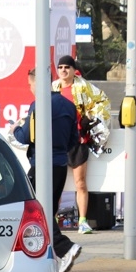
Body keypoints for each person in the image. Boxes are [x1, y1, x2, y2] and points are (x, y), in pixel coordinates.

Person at [11, 69, 81, 272]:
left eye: (30, 84)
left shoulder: (38, 105)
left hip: (42, 164)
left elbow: (25, 137)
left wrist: (15, 128)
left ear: (36, 84)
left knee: (34, 208)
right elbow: (73, 140)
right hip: (60, 164)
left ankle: (65, 247)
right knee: (46, 210)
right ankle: (52, 254)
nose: (30, 88)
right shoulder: (68, 105)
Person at [56, 55, 111, 234]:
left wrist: (89, 118)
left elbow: (103, 101)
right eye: (61, 67)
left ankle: (83, 221)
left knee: (80, 183)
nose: (64, 70)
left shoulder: (83, 86)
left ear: (73, 70)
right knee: (55, 184)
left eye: (67, 67)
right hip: (58, 142)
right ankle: (52, 220)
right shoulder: (52, 87)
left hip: (78, 141)